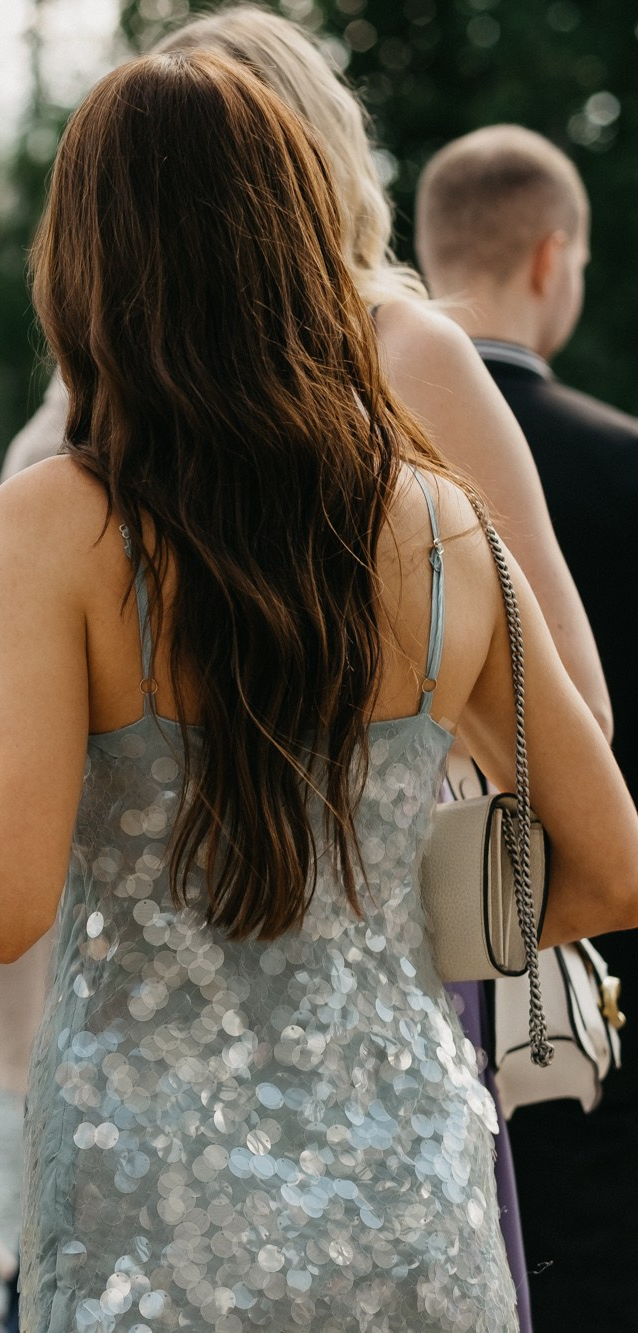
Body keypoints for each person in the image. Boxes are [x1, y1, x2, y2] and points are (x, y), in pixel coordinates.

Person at [0, 50, 638, 1331]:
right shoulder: (439, 523)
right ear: (302, 239)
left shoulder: (54, 526)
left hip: (151, 1212)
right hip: (411, 1188)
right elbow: (610, 866)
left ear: (82, 265)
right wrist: (388, 950)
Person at [418, 123, 638, 1329]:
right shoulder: (620, 467)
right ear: (553, 257)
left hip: (387, 961)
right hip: (596, 968)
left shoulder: (321, 453)